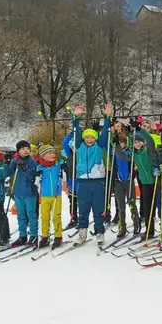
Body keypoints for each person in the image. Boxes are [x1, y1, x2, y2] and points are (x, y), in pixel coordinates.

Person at [70, 103, 112, 245]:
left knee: (98, 209)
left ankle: (99, 232)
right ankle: (82, 232)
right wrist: (76, 117)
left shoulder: (99, 146)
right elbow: (76, 130)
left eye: (92, 137)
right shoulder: (79, 145)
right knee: (83, 209)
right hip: (83, 183)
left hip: (97, 182)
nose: (89, 139)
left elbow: (106, 131)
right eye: (87, 137)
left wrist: (107, 116)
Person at [9, 140, 39, 246]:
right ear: (18, 151)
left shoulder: (32, 162)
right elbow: (10, 171)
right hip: (18, 191)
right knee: (20, 214)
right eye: (23, 149)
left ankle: (34, 235)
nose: (25, 151)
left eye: (27, 148)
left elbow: (31, 175)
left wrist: (23, 168)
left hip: (30, 192)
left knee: (31, 214)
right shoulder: (16, 160)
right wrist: (12, 162)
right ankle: (22, 236)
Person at [36, 144, 65, 249]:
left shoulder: (58, 165)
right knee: (45, 216)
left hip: (56, 195)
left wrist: (64, 167)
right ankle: (45, 236)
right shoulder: (39, 168)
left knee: (56, 216)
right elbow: (36, 182)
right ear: (43, 156)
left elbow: (65, 178)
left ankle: (58, 237)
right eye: (49, 153)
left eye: (53, 153)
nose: (53, 154)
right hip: (44, 195)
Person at [60, 131, 78, 230]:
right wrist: (72, 133)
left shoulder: (82, 154)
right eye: (72, 147)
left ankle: (83, 218)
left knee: (82, 201)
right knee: (72, 201)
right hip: (71, 181)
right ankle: (74, 218)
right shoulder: (69, 154)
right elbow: (64, 143)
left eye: (75, 147)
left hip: (80, 181)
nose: (74, 149)